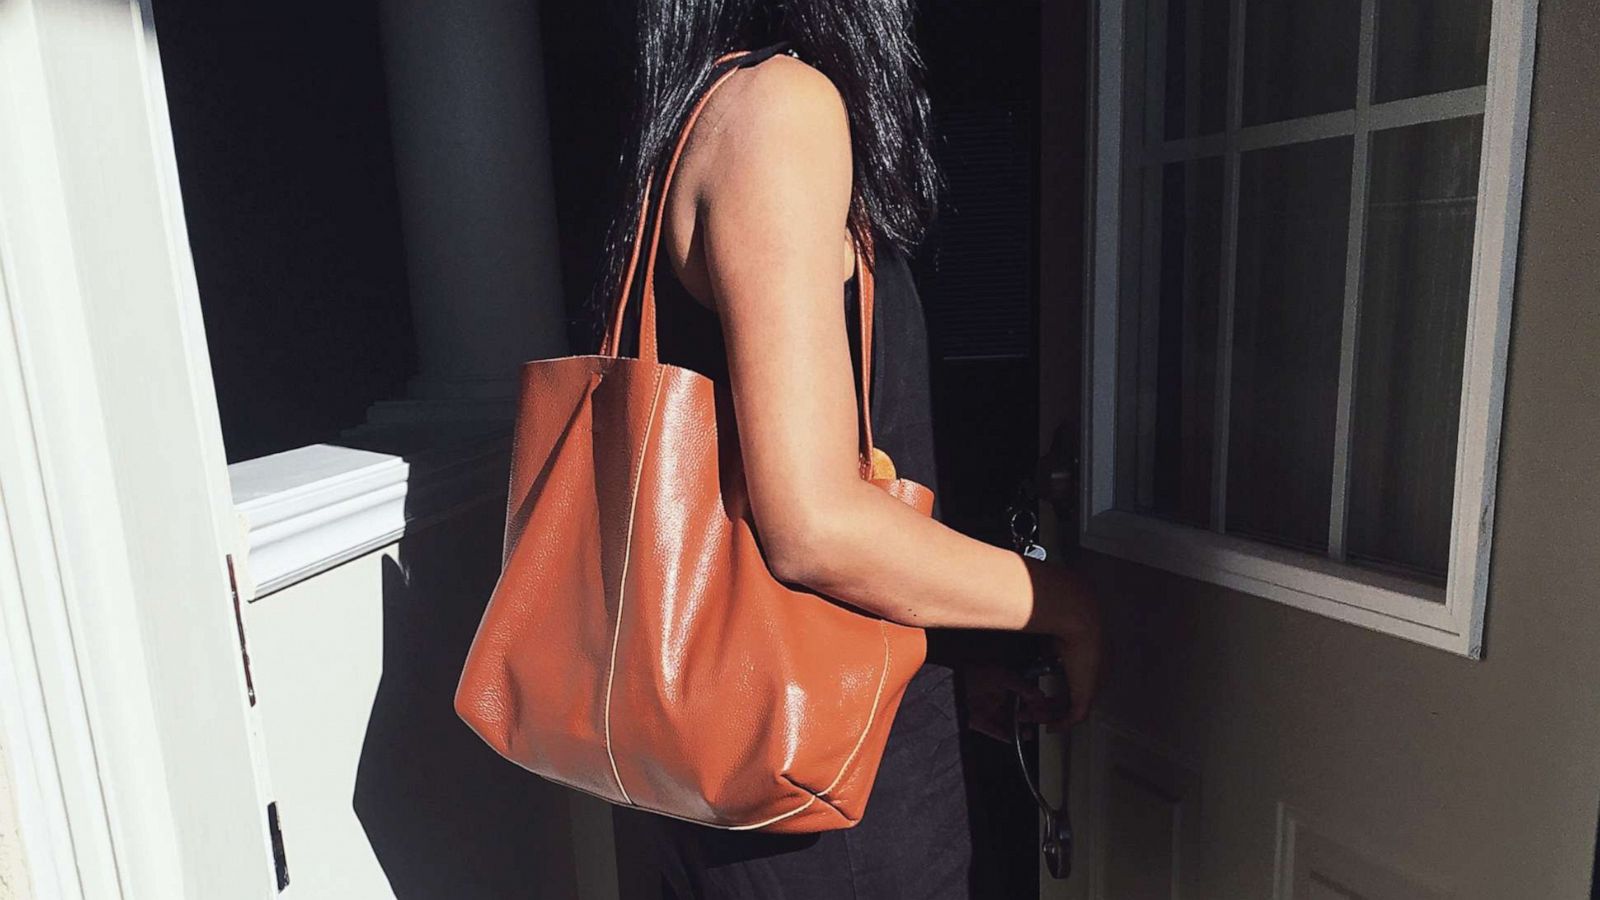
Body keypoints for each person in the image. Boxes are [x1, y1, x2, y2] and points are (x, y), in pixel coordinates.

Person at [602, 4, 1103, 897]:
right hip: (827, 812)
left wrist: (935, 671)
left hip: (737, 763)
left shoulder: (699, 117)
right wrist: (1060, 605)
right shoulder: (781, 108)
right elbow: (814, 524)